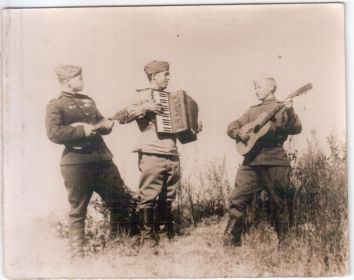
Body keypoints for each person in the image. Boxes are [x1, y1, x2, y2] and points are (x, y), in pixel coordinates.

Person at [46, 64, 133, 258]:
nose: (83, 80)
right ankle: (77, 257)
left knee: (119, 201)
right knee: (78, 211)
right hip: (76, 164)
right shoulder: (56, 104)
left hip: (103, 161)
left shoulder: (88, 101)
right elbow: (53, 133)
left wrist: (108, 125)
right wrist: (82, 130)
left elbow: (101, 123)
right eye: (80, 77)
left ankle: (118, 246)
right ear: (68, 81)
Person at [114, 60, 201, 246]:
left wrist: (194, 126)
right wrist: (146, 107)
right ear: (154, 76)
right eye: (165, 74)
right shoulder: (142, 96)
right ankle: (147, 239)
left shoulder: (172, 98)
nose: (169, 77)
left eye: (169, 74)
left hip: (172, 153)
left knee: (168, 196)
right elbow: (120, 117)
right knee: (149, 196)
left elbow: (181, 126)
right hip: (151, 151)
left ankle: (163, 235)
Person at [224, 75, 302, 247]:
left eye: (259, 87)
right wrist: (239, 133)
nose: (256, 90)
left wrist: (290, 110)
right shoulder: (252, 111)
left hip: (274, 160)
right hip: (251, 162)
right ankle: (230, 240)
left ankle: (285, 242)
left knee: (279, 200)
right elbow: (232, 127)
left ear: (271, 88)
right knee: (238, 197)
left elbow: (296, 128)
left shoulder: (282, 107)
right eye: (255, 87)